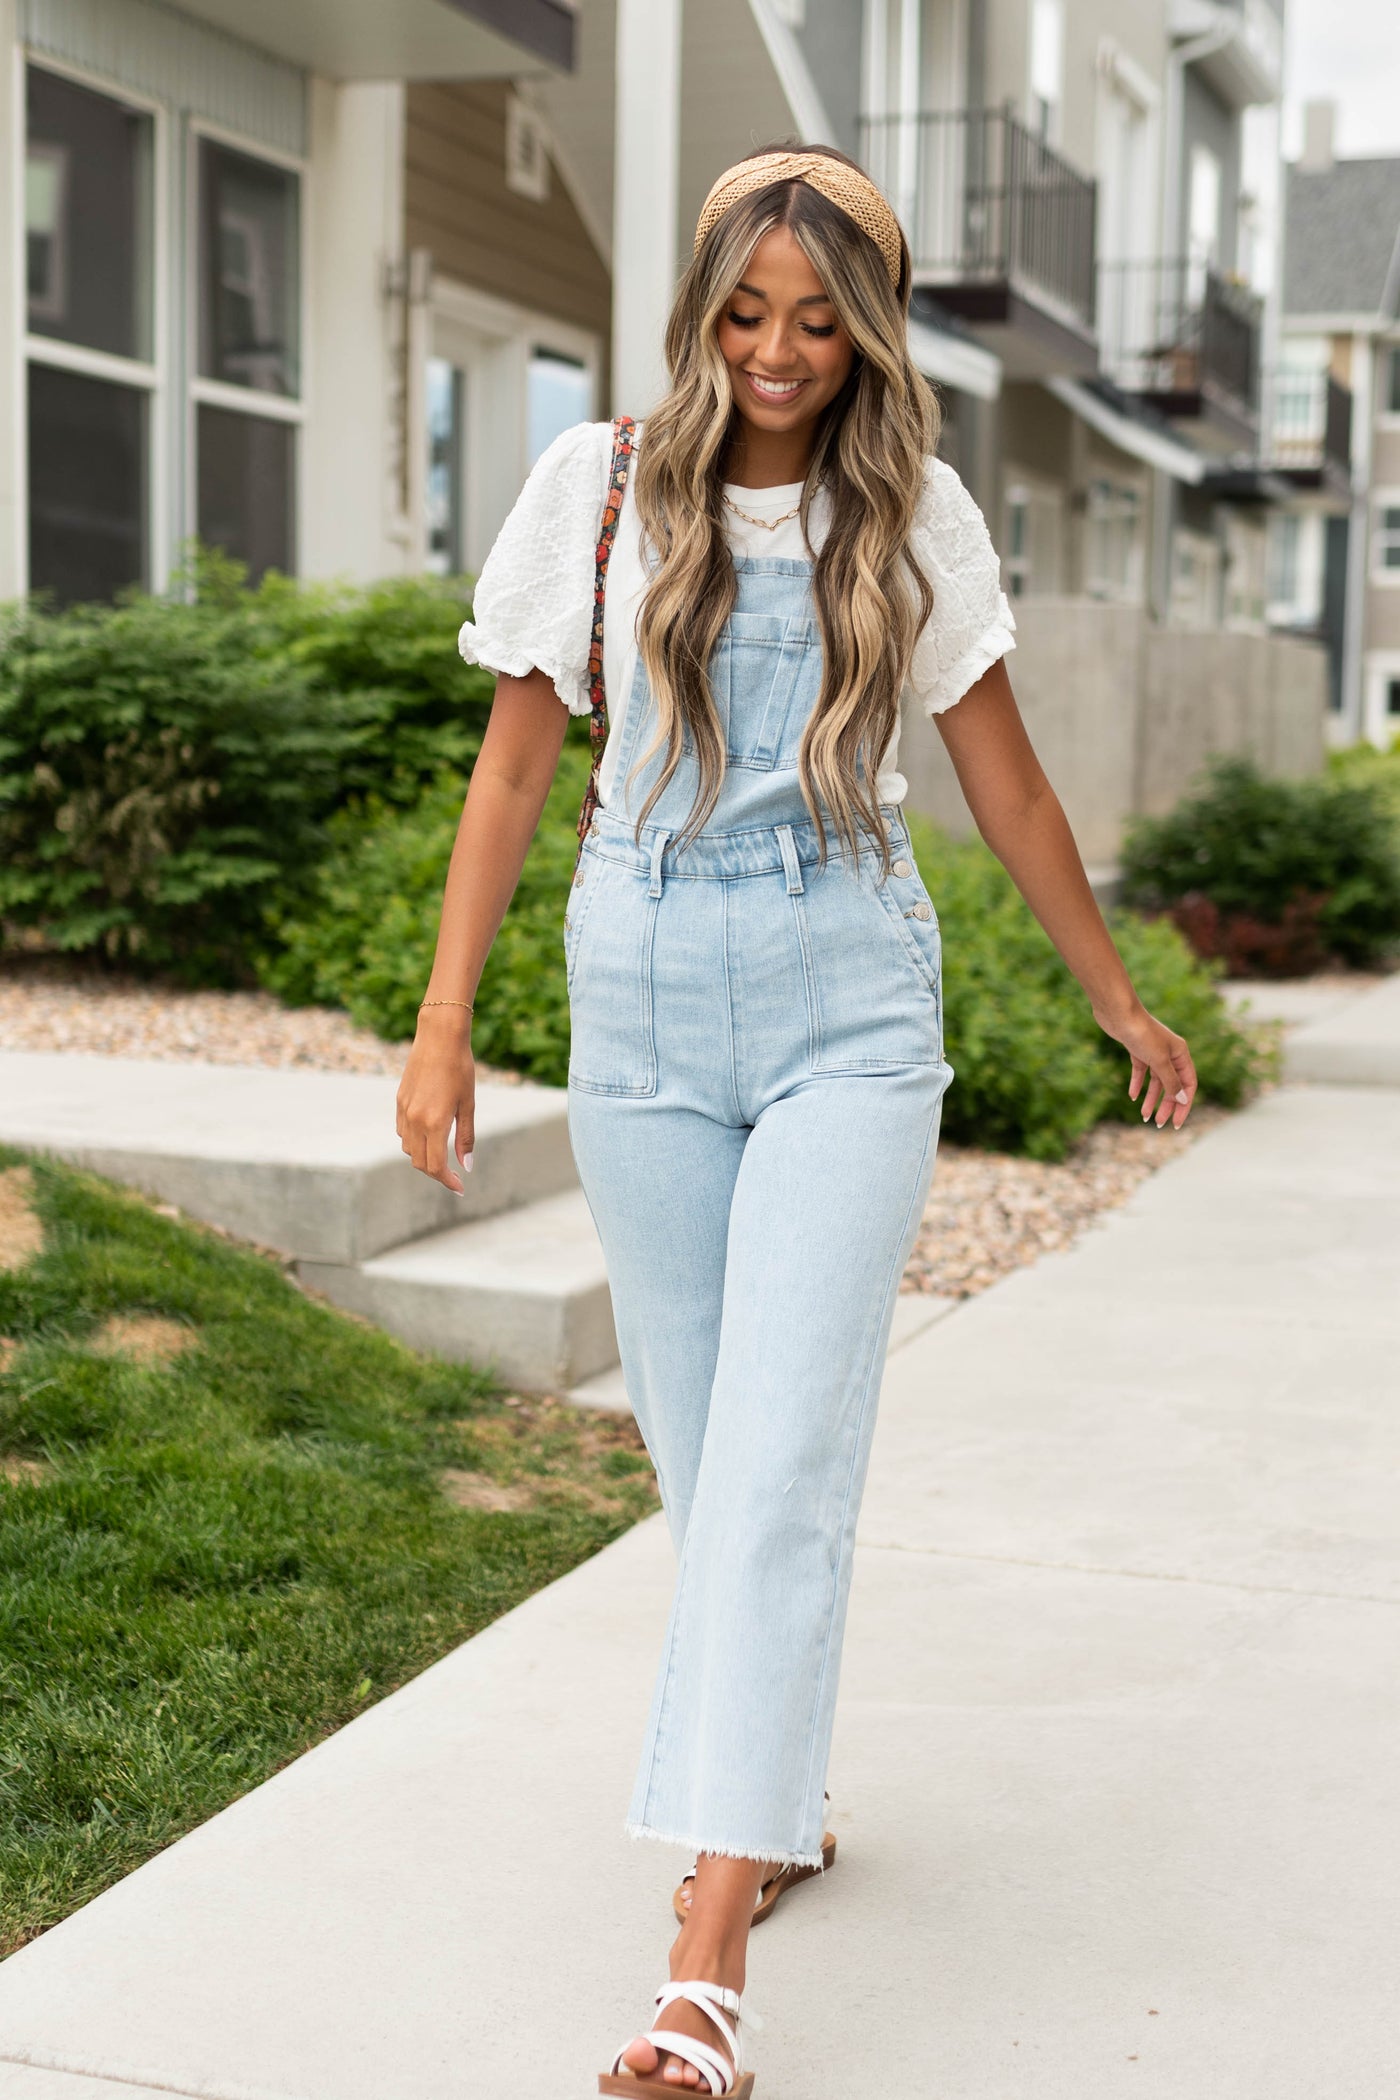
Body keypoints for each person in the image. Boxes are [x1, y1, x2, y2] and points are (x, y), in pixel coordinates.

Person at [396, 143, 1197, 2098]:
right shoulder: (593, 488)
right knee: (699, 1454)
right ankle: (781, 1797)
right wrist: (440, 1031)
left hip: (847, 1002)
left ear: (867, 331)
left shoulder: (908, 512)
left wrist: (1111, 996)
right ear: (700, 313)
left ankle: (705, 1949)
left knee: (774, 1463)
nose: (774, 353)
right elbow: (512, 783)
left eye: (817, 320)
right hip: (642, 1001)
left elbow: (1000, 786)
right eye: (745, 315)